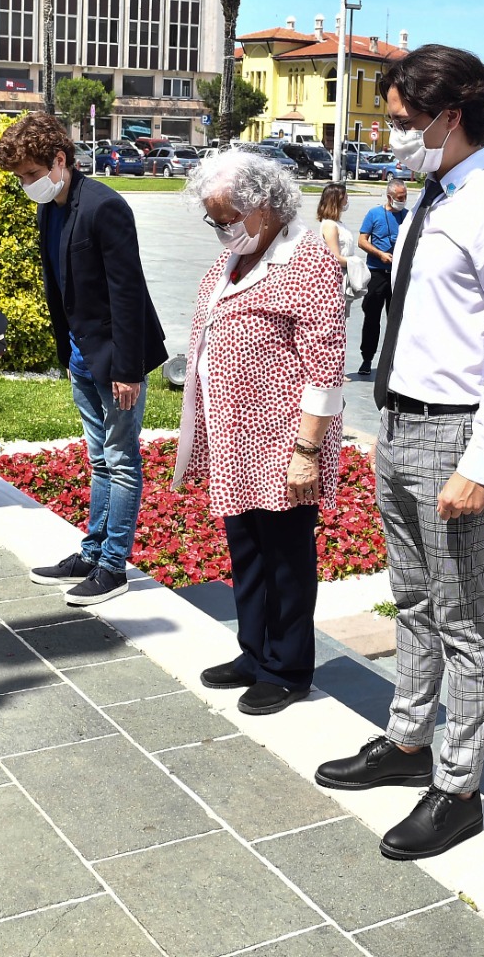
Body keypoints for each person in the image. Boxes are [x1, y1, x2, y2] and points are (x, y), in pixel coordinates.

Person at [314, 44, 484, 861]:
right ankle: (410, 741)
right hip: (403, 423)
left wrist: (479, 463)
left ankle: (459, 787)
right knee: (411, 598)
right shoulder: (430, 201)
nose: (391, 132)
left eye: (404, 119)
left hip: (455, 434)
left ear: (450, 117)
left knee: (462, 619)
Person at [172, 150, 346, 714]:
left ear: (267, 209)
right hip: (233, 439)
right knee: (245, 549)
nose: (220, 230)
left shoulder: (309, 263)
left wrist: (307, 452)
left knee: (286, 555)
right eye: (213, 219)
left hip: (282, 441)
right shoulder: (234, 262)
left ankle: (287, 666)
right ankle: (254, 650)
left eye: (226, 219)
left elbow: (326, 364)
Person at [0, 112, 168, 606]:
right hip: (80, 356)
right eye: (21, 178)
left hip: (116, 361)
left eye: (32, 174)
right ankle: (91, 552)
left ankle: (113, 566)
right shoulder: (50, 207)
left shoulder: (105, 207)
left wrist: (128, 369)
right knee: (98, 459)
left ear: (59, 159)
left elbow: (127, 292)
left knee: (121, 460)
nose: (27, 185)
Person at [353, 178, 407, 376]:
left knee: (397, 319)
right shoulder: (374, 214)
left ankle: (395, 360)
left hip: (397, 275)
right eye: (399, 197)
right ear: (389, 196)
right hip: (376, 273)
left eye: (405, 197)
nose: (402, 200)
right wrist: (380, 254)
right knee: (372, 317)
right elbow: (362, 241)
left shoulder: (407, 216)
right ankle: (367, 359)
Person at [316, 182, 350, 266]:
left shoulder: (338, 223)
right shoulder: (330, 226)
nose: (347, 201)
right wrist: (355, 263)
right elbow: (335, 258)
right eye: (346, 198)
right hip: (339, 274)